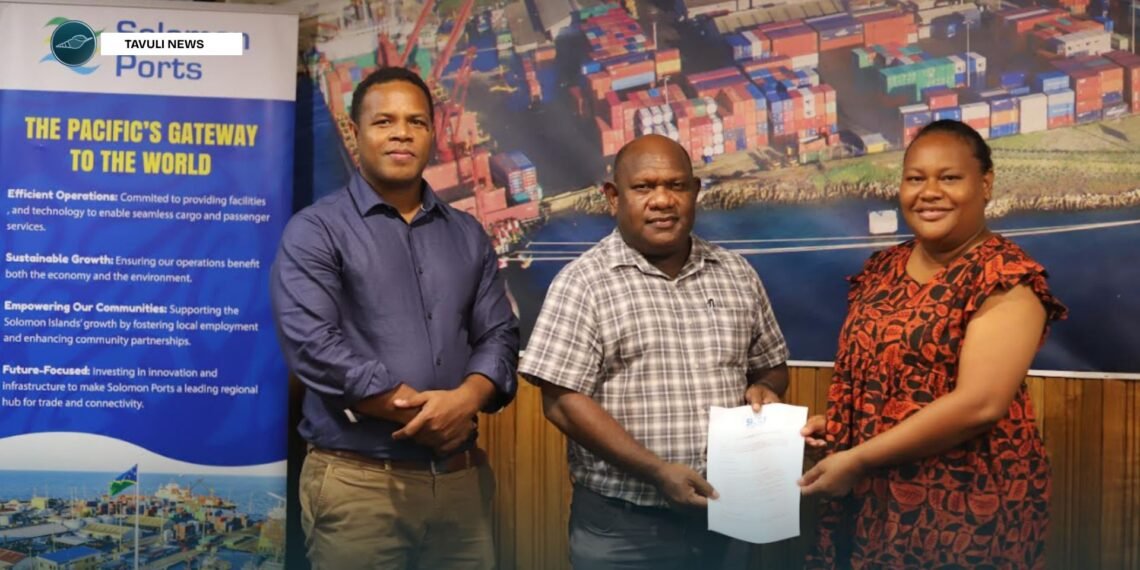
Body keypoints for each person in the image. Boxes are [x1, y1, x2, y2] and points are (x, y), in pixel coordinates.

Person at [270, 66, 519, 570]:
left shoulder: (467, 233)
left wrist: (466, 399)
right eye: (384, 121)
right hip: (360, 487)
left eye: (417, 121)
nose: (402, 132)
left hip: (460, 484)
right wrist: (421, 413)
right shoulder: (315, 231)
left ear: (432, 133)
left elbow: (499, 333)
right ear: (356, 133)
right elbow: (314, 346)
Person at [799, 120, 1066, 569]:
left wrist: (859, 457)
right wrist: (843, 424)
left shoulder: (1006, 278)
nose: (929, 192)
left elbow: (979, 404)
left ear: (985, 184)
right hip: (870, 495)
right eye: (915, 178)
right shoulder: (882, 268)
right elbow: (888, 379)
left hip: (965, 502)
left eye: (949, 178)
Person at [519, 134, 790, 569]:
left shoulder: (738, 273)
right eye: (644, 187)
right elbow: (562, 404)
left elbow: (771, 366)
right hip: (623, 532)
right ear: (613, 197)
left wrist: (765, 388)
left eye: (676, 186)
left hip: (728, 519)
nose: (662, 200)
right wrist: (656, 471)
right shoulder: (583, 282)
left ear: (695, 191)